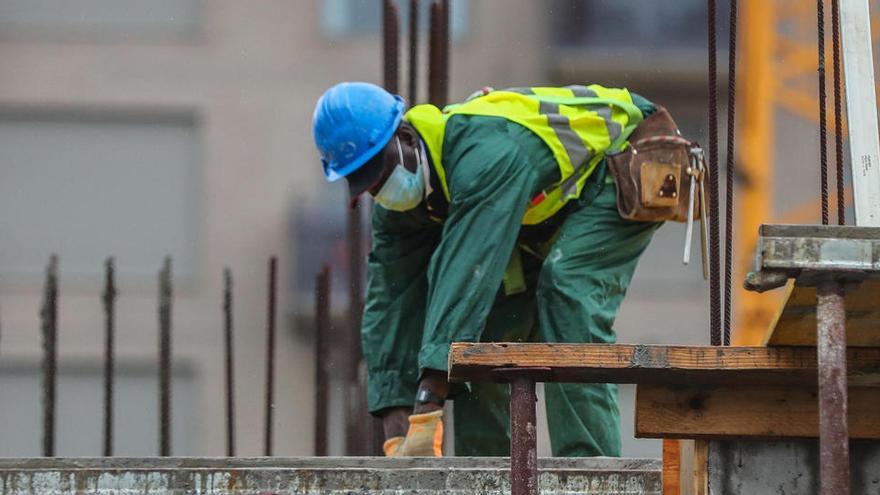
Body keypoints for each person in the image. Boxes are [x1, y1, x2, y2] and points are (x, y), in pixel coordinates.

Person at [312, 82, 663, 457]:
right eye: (368, 184)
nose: (380, 189)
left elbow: (468, 269)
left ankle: (588, 469)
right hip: (551, 211)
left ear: (406, 137)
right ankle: (487, 475)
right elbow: (390, 299)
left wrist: (428, 405)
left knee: (568, 291)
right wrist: (396, 427)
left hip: (624, 159)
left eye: (380, 172)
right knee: (485, 339)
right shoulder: (400, 206)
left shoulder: (485, 153)